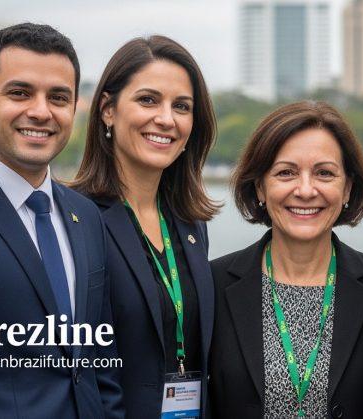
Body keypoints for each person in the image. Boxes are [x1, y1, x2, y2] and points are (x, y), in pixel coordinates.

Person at [0, 23, 123, 418]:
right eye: (20, 92)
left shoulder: (87, 217)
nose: (41, 111)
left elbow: (99, 364)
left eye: (58, 97)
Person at [209, 101, 363, 418]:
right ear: (260, 187)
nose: (305, 190)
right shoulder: (212, 284)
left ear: (347, 188)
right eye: (286, 172)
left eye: (324, 173)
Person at [70, 35, 218, 418]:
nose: (166, 119)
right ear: (107, 109)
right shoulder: (74, 217)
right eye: (148, 100)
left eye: (181, 106)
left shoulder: (190, 223)